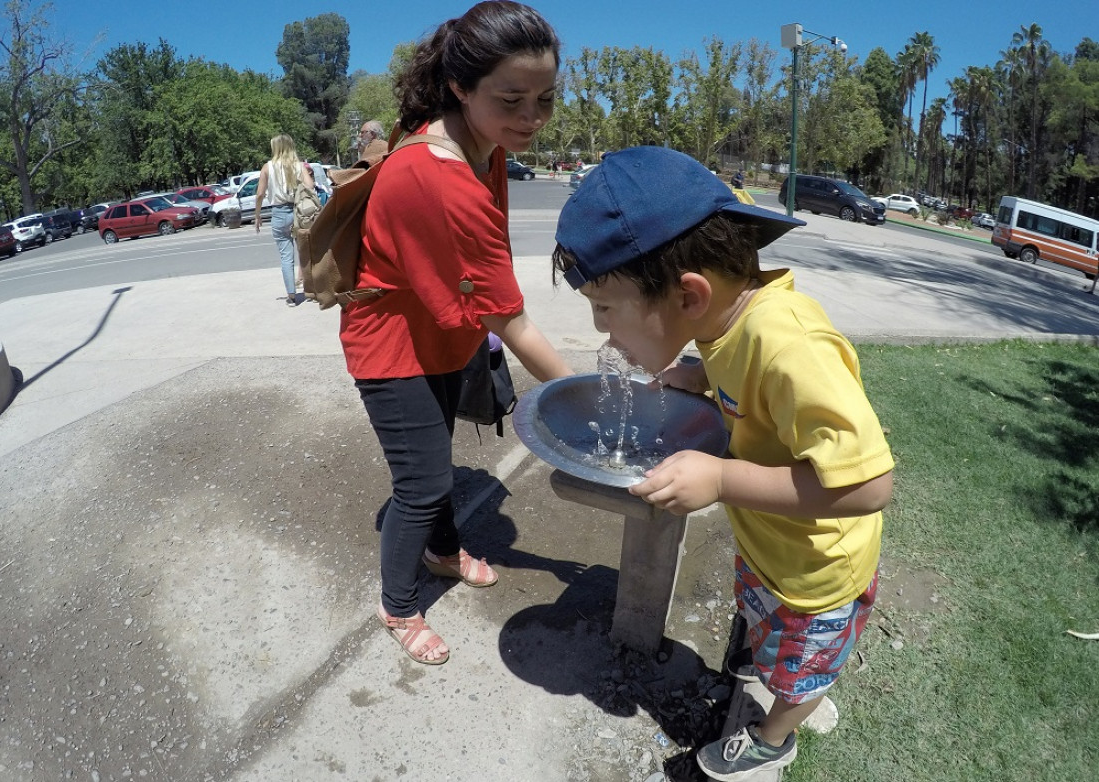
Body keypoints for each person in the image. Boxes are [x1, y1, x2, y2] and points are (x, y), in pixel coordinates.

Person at [552, 146, 895, 781]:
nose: (603, 334)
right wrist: (700, 372)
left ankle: (775, 734)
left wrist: (719, 478)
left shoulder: (791, 344)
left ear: (688, 294)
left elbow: (869, 484)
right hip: (772, 546)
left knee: (803, 670)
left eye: (606, 309)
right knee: (770, 637)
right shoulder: (727, 324)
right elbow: (738, 361)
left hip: (817, 573)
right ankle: (776, 669)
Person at [340, 1, 572, 666]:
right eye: (512, 99)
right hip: (389, 344)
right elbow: (512, 318)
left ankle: (442, 551)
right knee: (419, 483)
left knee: (435, 456)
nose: (532, 118)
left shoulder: (484, 143)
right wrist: (582, 398)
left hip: (441, 330)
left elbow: (479, 280)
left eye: (544, 99)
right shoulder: (436, 174)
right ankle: (398, 606)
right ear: (461, 87)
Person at [255, 134, 315, 306]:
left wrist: (257, 215)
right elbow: (310, 185)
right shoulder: (298, 165)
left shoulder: (268, 167)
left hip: (279, 213)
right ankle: (311, 291)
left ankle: (291, 296)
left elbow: (260, 194)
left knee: (286, 256)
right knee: (304, 252)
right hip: (298, 211)